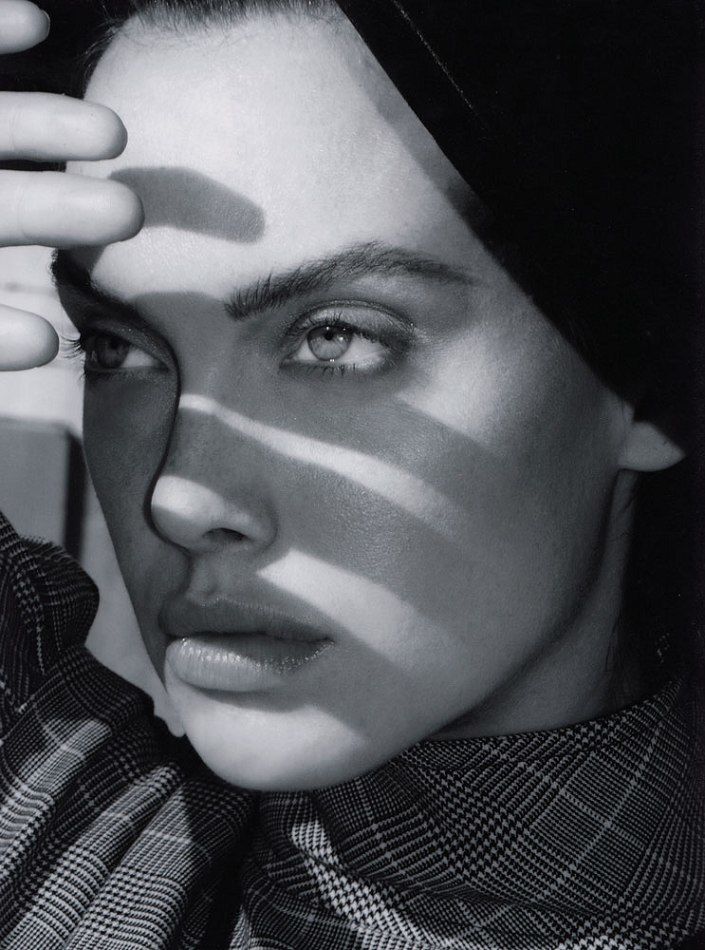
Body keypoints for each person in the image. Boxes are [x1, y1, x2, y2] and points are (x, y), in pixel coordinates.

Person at [0, 0, 703, 946]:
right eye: (118, 348)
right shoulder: (57, 851)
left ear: (649, 386)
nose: (178, 497)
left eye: (334, 339)